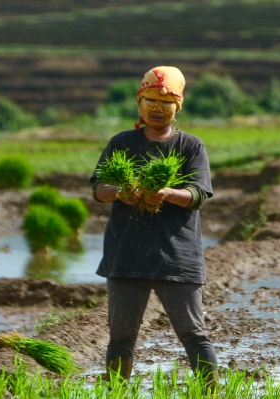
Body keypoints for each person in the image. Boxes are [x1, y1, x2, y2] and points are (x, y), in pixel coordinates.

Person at [90, 66, 218, 385]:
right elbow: (98, 188)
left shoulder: (190, 146)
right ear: (139, 103)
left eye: (165, 102)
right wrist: (121, 192)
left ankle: (211, 391)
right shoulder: (121, 142)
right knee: (120, 337)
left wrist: (167, 194)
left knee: (193, 334)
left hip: (176, 257)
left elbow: (199, 194)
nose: (157, 109)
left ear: (178, 107)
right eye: (150, 100)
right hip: (126, 255)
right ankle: (116, 392)